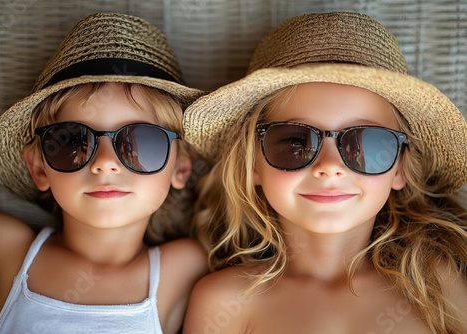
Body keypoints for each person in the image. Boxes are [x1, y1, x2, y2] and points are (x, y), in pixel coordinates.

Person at [182, 12, 467, 333]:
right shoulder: (223, 301)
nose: (329, 167)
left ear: (399, 168)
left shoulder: (436, 286)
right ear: (253, 166)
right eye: (294, 142)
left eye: (364, 143)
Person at [0, 12, 208, 333]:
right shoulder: (4, 248)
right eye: (72, 141)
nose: (105, 162)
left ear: (180, 166)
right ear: (39, 167)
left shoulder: (184, 265)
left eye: (139, 142)